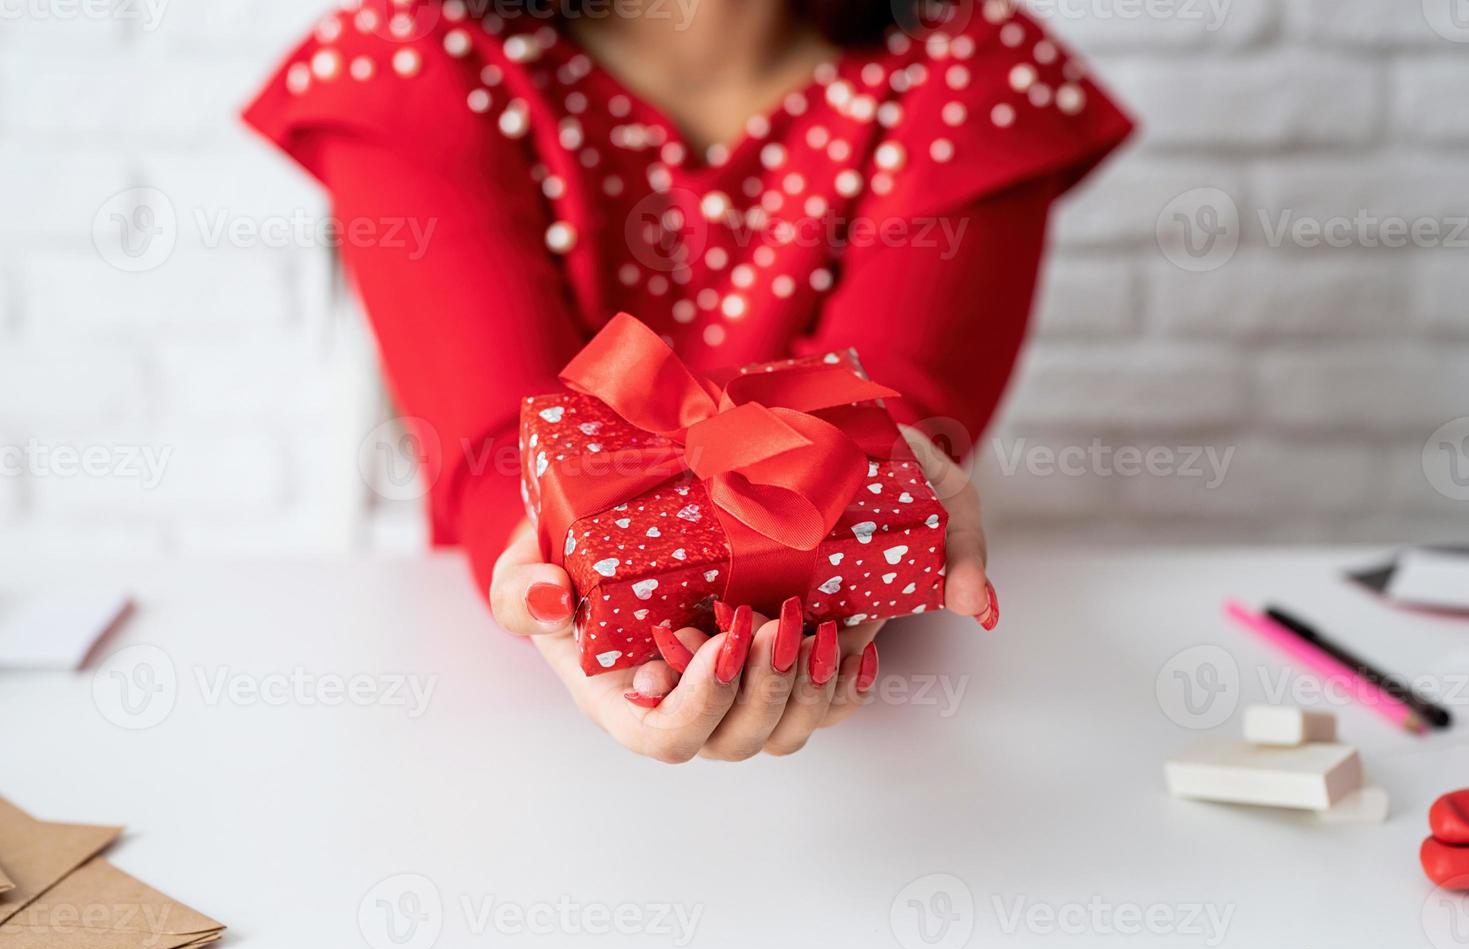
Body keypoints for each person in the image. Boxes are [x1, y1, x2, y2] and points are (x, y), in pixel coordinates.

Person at [244, 0, 1132, 761]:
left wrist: (891, 469)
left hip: (905, 722)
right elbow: (490, 449)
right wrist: (562, 579)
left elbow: (890, 409)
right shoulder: (406, 56)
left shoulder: (975, 69)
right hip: (496, 719)